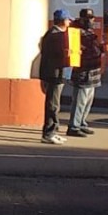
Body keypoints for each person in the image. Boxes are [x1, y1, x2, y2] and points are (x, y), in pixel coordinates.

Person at [67, 8, 104, 138]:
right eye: (87, 18)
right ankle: (74, 126)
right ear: (81, 19)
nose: (90, 20)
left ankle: (82, 122)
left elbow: (95, 48)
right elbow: (77, 51)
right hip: (83, 71)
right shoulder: (76, 33)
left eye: (91, 18)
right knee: (80, 100)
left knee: (88, 100)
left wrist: (102, 48)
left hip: (93, 71)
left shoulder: (90, 32)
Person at [38, 9, 71, 144]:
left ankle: (53, 131)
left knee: (55, 104)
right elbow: (55, 55)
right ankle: (49, 133)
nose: (69, 22)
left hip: (56, 73)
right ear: (63, 21)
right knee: (53, 104)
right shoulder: (55, 35)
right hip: (54, 74)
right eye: (68, 20)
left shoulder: (54, 34)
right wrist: (67, 53)